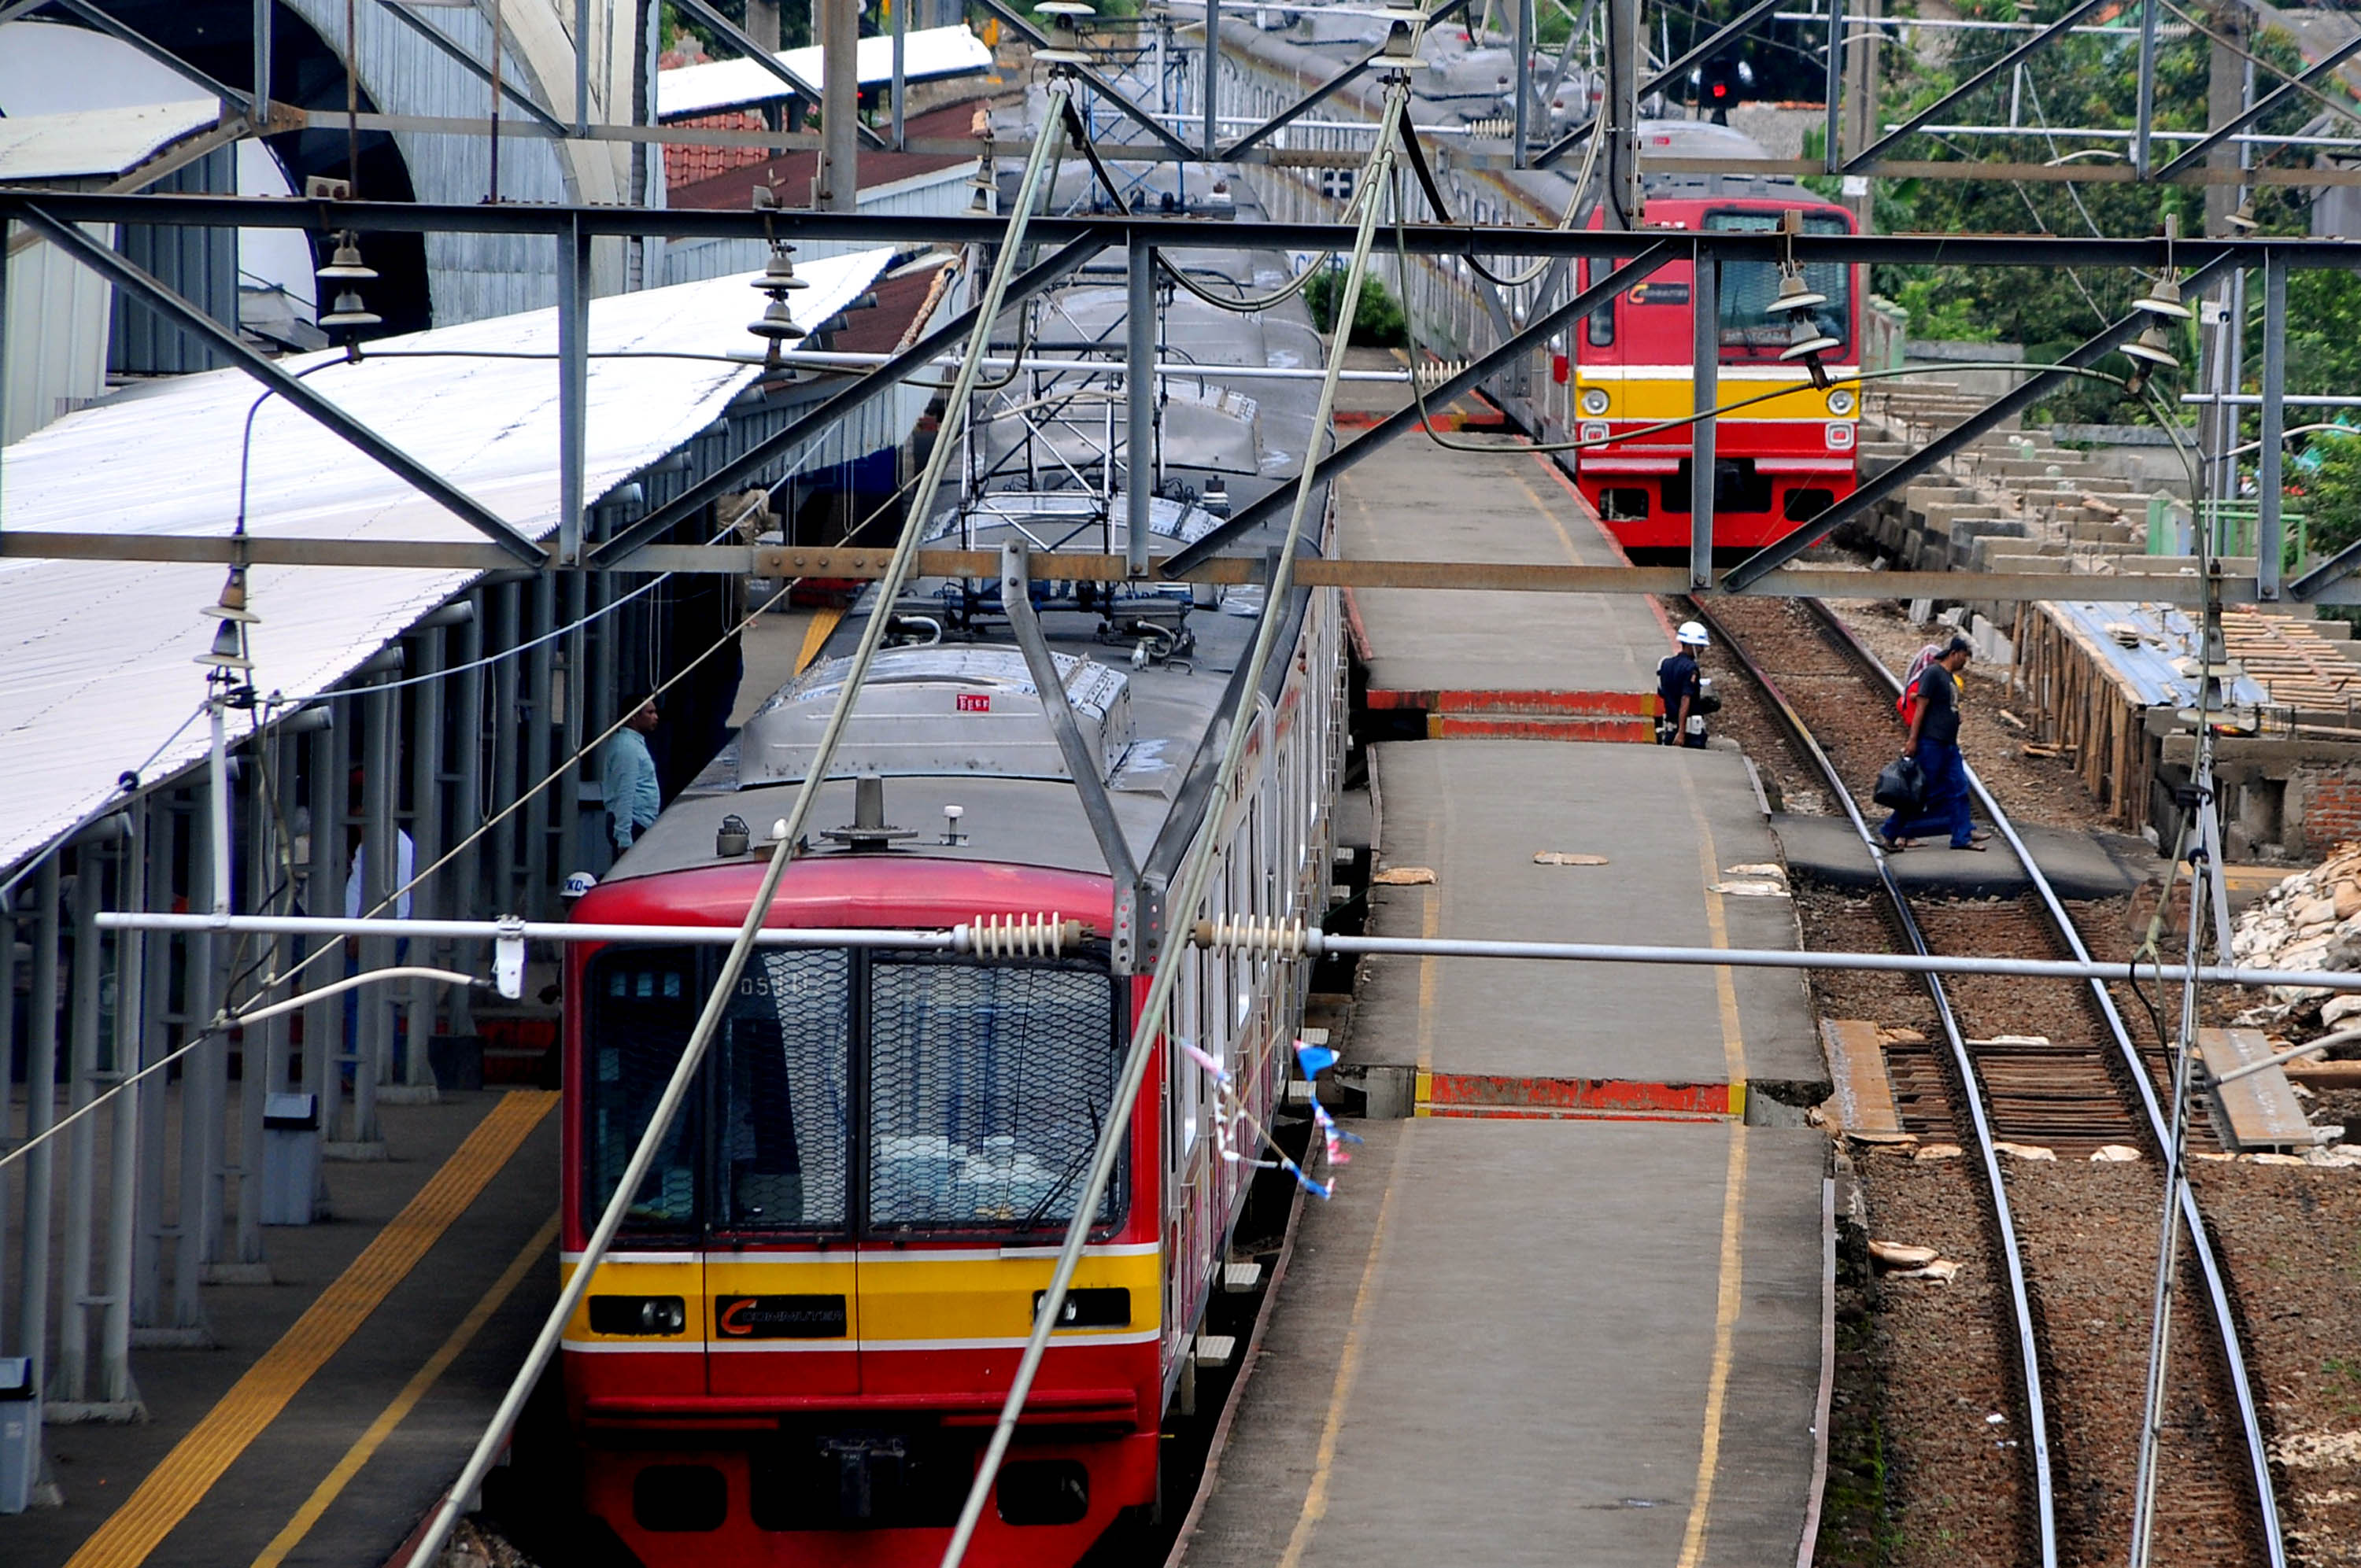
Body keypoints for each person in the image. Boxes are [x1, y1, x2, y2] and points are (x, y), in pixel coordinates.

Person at [1880, 636, 1990, 853]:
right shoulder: (1933, 673)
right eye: (1964, 657)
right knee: (1919, 792)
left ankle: (1961, 836)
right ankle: (1890, 832)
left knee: (1959, 788)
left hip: (1949, 745)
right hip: (1932, 743)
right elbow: (1921, 707)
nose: (1964, 663)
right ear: (1954, 653)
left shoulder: (1948, 678)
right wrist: (1913, 739)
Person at [602, 693, 662, 855]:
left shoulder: (634, 744)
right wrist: (624, 837)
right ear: (634, 716)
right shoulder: (626, 747)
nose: (655, 717)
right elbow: (625, 791)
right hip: (633, 823)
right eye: (649, 713)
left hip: (640, 821)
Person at [1657, 621, 1713, 748]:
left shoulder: (1666, 664)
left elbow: (1662, 692)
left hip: (1669, 729)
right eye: (1700, 646)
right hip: (1689, 734)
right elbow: (1685, 698)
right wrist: (1681, 732)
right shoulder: (1691, 668)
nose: (1702, 650)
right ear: (1692, 645)